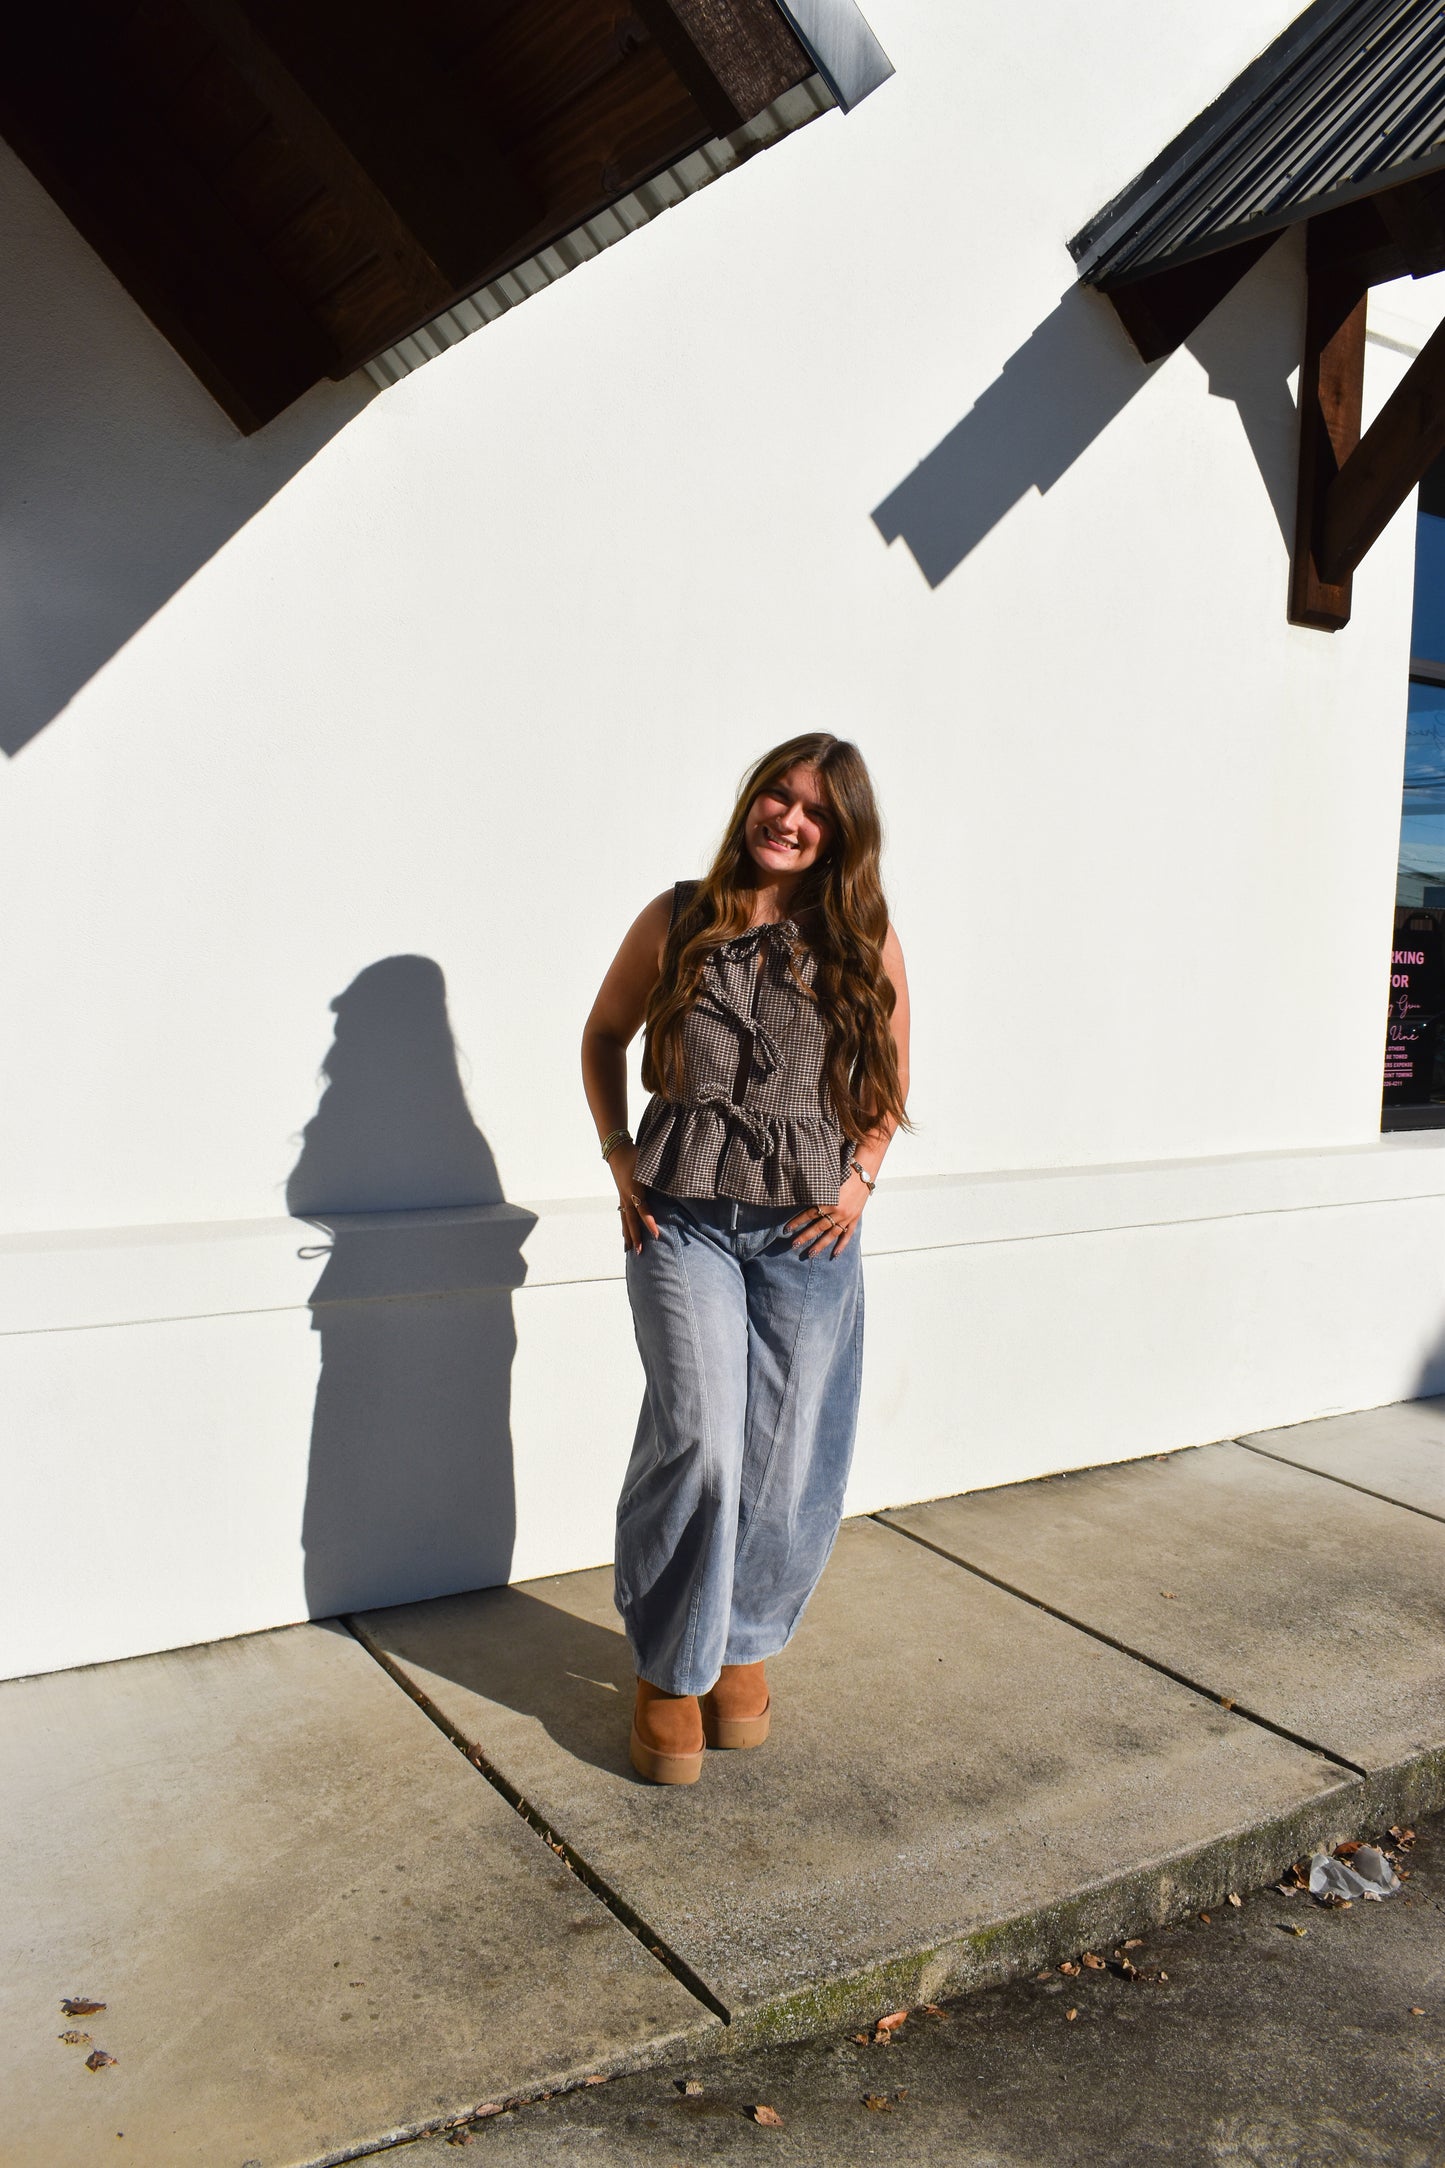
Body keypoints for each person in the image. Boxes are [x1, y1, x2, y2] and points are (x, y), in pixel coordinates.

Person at [581, 734, 910, 1784]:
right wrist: (619, 1154)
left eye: (816, 810)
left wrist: (858, 1178)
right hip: (679, 1213)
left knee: (786, 1457)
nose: (790, 818)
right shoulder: (678, 915)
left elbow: (891, 1075)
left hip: (804, 1228)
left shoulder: (861, 933)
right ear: (751, 799)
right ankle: (669, 1669)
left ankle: (745, 1644)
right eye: (778, 794)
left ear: (839, 832)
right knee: (703, 1439)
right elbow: (601, 1034)